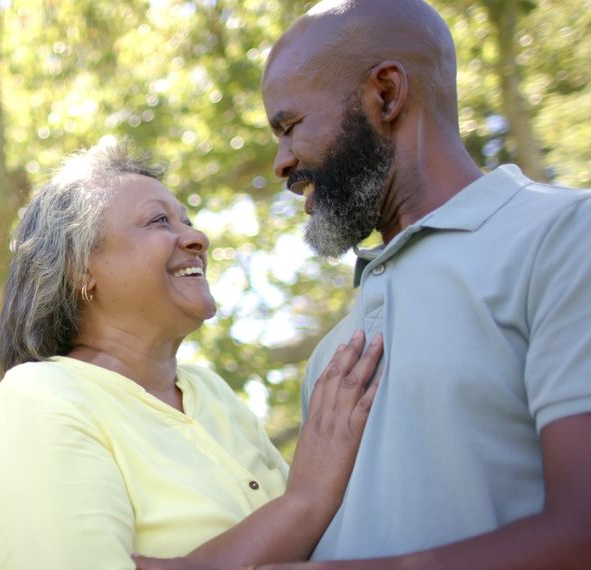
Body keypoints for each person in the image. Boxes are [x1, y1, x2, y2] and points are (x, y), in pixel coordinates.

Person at [252, 0, 591, 567]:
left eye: (289, 127)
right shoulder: (330, 360)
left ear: (385, 94)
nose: (281, 162)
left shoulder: (563, 236)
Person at [0, 139, 383, 569]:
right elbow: (307, 511)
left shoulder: (211, 393)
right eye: (159, 221)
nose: (197, 237)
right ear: (80, 268)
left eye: (188, 220)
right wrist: (305, 499)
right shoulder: (41, 399)